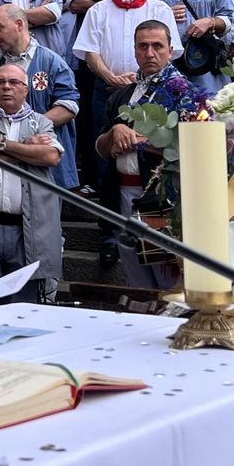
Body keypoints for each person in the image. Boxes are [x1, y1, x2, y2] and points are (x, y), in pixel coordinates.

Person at [0, 63, 62, 302]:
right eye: (0, 82)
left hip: (27, 230)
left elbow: (51, 157)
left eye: (14, 82)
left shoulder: (41, 122)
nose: (7, 87)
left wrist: (2, 146)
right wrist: (28, 149)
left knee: (22, 306)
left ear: (26, 90)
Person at [93, 20, 182, 289]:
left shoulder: (183, 93)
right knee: (137, 279)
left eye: (157, 46)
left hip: (158, 199)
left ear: (170, 50)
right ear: (134, 51)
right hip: (120, 193)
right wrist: (115, 133)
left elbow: (192, 147)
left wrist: (140, 141)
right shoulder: (123, 94)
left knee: (163, 279)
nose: (150, 53)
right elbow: (99, 146)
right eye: (143, 46)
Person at [0, 3, 81, 190]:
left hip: (44, 165)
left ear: (19, 25)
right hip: (2, 162)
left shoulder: (52, 62)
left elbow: (69, 107)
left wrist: (27, 130)